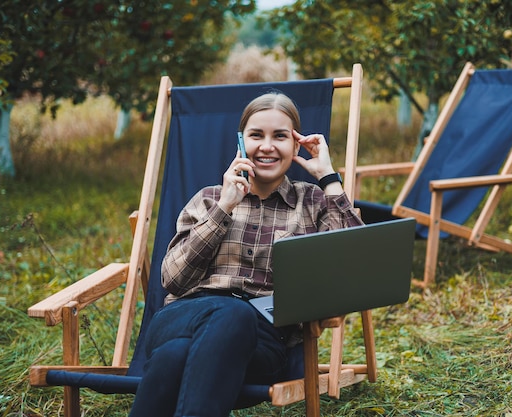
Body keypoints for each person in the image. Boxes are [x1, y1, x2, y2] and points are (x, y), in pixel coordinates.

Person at [128, 92, 363, 417]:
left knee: (173, 358)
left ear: (296, 147)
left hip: (262, 342)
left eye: (280, 136)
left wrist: (328, 177)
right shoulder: (209, 199)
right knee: (230, 313)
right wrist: (225, 207)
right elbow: (173, 279)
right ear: (241, 143)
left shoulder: (313, 203)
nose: (267, 146)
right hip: (183, 317)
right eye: (256, 135)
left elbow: (355, 264)